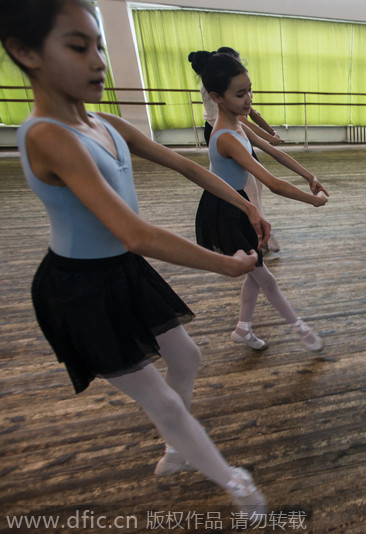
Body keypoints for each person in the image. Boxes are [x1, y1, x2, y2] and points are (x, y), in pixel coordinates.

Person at [1, 0, 268, 516]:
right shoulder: (48, 135)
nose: (98, 60)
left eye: (98, 45)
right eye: (78, 47)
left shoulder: (105, 122)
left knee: (187, 358)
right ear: (24, 52)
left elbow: (189, 170)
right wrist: (229, 265)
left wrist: (247, 208)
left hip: (121, 272)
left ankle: (178, 447)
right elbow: (135, 233)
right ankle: (237, 487)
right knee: (163, 401)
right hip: (79, 289)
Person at [192, 51, 328, 351]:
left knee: (255, 272)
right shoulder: (225, 137)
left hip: (240, 205)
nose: (248, 98)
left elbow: (274, 151)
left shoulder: (240, 124)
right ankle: (301, 329)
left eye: (249, 90)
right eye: (240, 94)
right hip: (224, 210)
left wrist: (309, 175)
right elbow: (272, 183)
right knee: (265, 278)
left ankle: (243, 329)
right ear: (216, 97)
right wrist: (312, 201)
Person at [190, 47, 283, 254]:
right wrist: (269, 138)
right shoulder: (225, 103)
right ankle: (259, 232)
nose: (247, 95)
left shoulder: (231, 95)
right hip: (227, 138)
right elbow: (244, 121)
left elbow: (252, 115)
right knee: (247, 187)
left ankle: (258, 228)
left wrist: (269, 135)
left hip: (234, 135)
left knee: (253, 185)